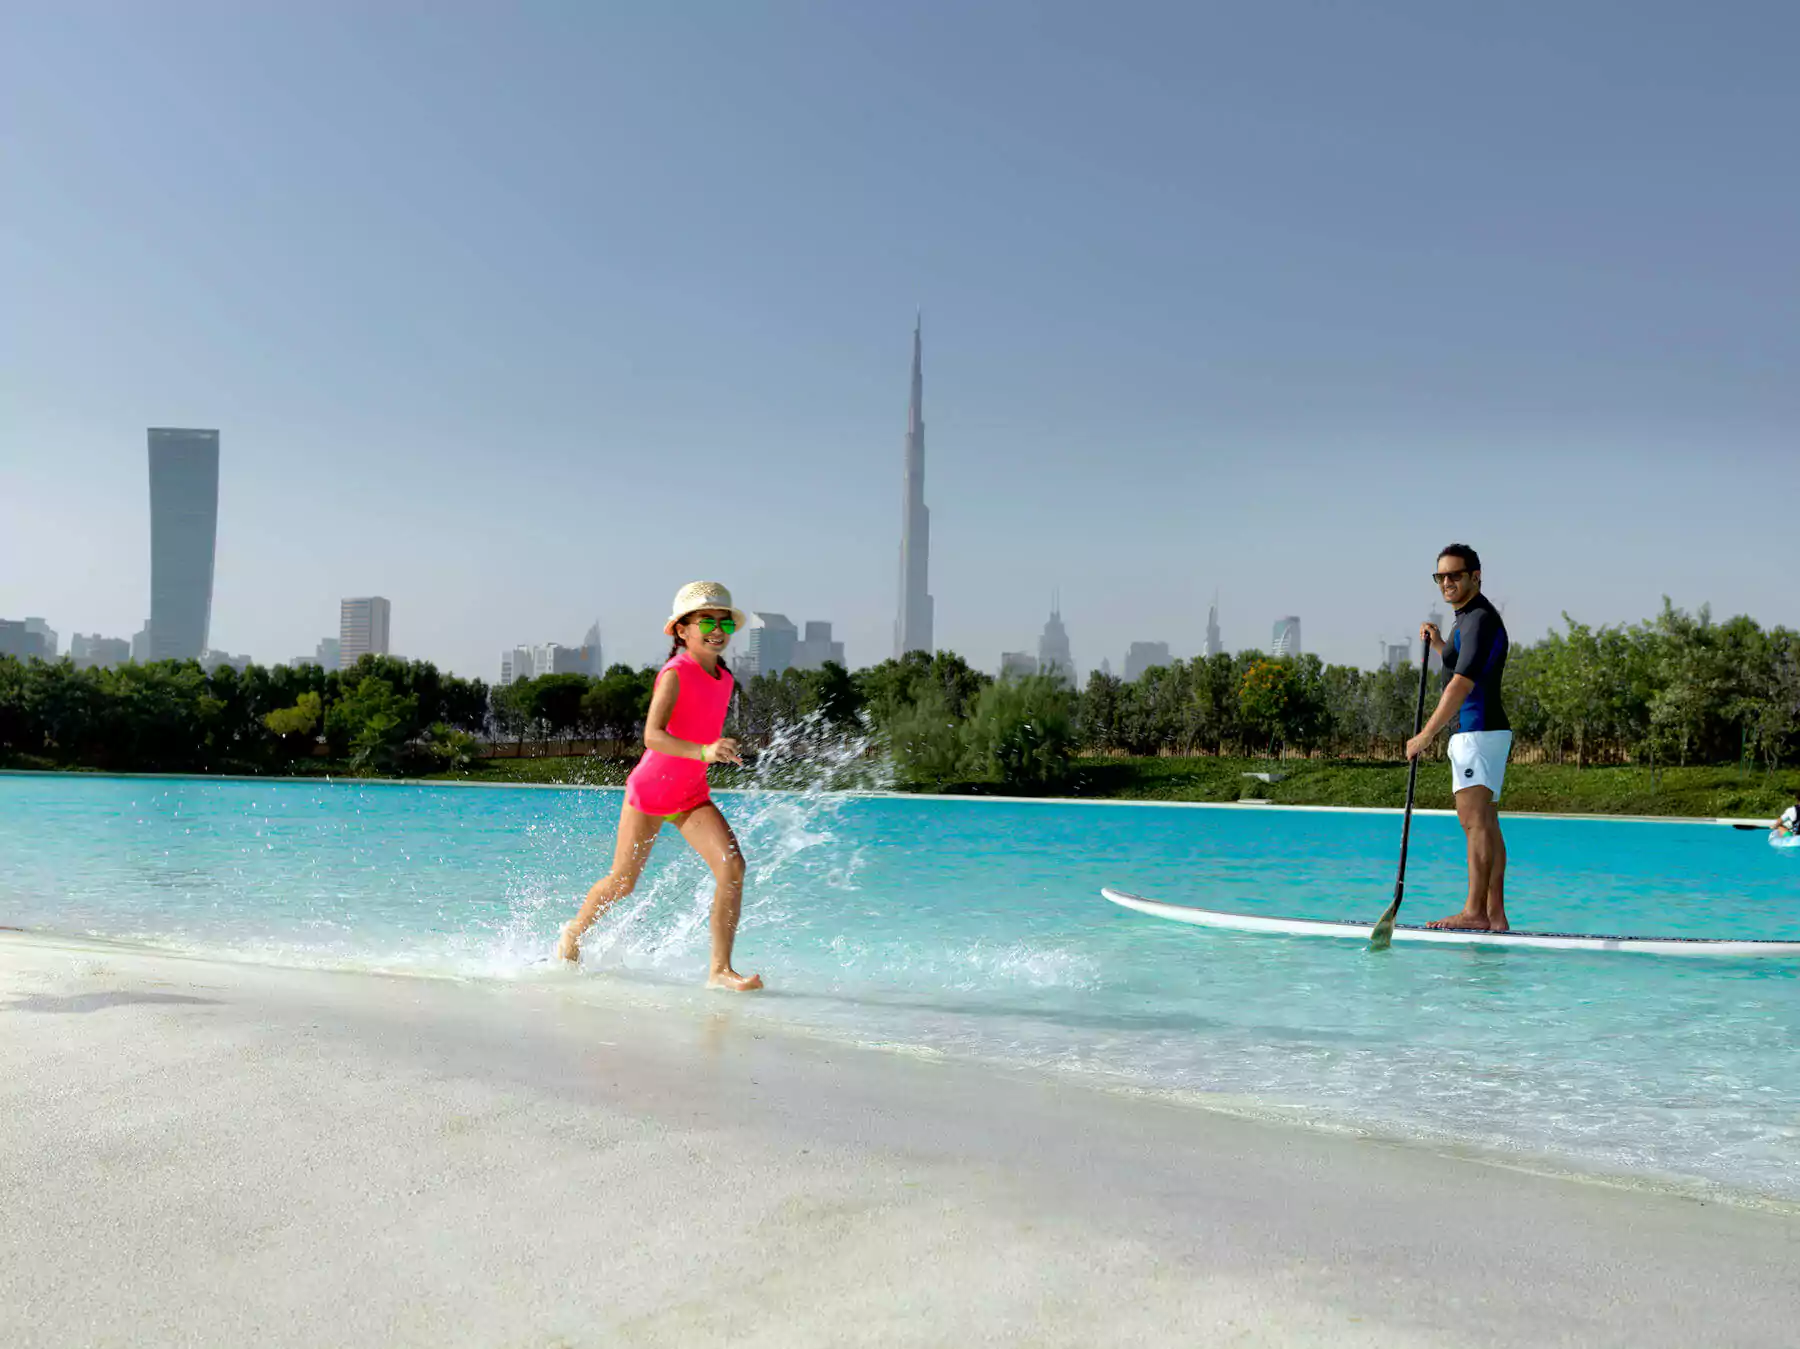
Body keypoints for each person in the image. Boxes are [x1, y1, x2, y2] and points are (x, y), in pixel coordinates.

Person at [554, 581, 763, 991]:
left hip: (691, 795)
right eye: (707, 620)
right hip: (650, 793)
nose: (717, 629)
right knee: (623, 882)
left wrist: (718, 750)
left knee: (732, 867)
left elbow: (700, 731)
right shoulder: (675, 672)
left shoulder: (723, 679)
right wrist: (705, 751)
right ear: (682, 630)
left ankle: (720, 970)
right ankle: (572, 935)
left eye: (724, 622)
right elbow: (653, 736)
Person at [1406, 544, 1513, 931]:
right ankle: (1495, 916)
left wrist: (1426, 734)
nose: (1447, 582)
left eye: (1454, 575)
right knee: (1484, 822)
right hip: (1485, 731)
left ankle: (1475, 912)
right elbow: (1457, 660)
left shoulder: (1478, 619)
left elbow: (1461, 683)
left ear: (1475, 576)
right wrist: (1436, 641)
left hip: (1477, 730)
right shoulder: (1466, 620)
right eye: (1441, 577)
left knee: (1474, 823)